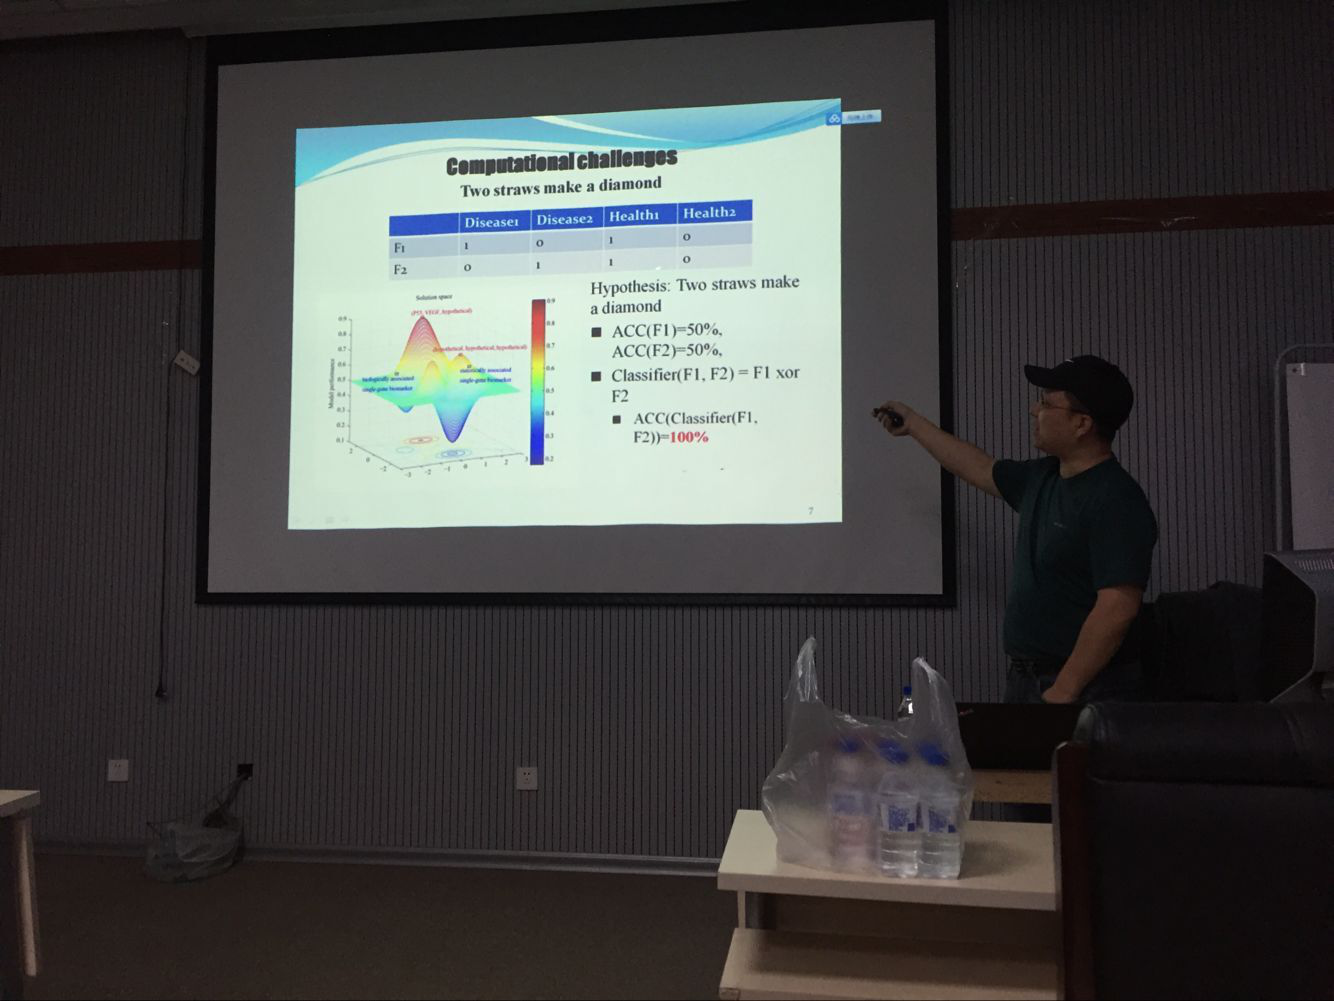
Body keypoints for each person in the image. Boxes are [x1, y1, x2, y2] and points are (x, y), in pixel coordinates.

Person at [877, 355, 1157, 705]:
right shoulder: (1043, 476)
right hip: (1029, 678)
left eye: (1046, 403)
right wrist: (914, 424)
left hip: (1087, 689)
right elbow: (980, 468)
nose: (1033, 410)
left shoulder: (1115, 499)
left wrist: (1065, 689)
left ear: (1082, 424)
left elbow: (1118, 606)